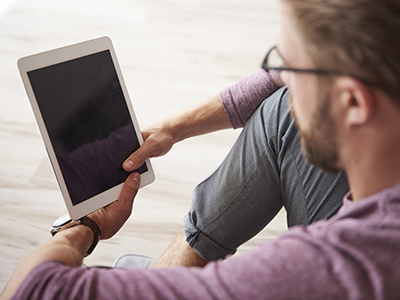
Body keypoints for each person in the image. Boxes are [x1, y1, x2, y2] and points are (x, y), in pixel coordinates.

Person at [3, 0, 400, 298]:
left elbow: (36, 288)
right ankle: (168, 273)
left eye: (292, 66)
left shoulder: (334, 267)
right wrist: (171, 130)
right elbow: (273, 83)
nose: (282, 77)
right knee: (282, 111)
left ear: (353, 102)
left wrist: (83, 229)